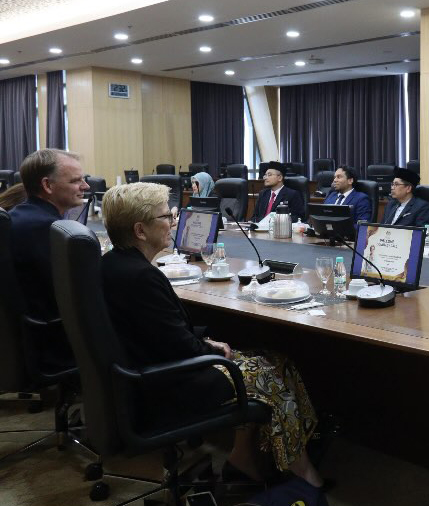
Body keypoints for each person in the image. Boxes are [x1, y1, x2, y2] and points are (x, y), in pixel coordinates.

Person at [99, 182, 324, 489]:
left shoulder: (113, 263)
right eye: (166, 217)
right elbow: (176, 345)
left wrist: (205, 342)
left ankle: (243, 457)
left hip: (146, 371)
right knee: (270, 372)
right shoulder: (141, 277)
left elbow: (160, 332)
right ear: (140, 230)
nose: (173, 223)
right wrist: (212, 349)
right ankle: (303, 473)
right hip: (169, 384)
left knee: (280, 361)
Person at [10, 149, 89, 370]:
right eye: (76, 181)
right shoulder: (49, 230)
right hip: (53, 344)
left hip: (26, 339)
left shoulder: (17, 216)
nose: (85, 186)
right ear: (47, 185)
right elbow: (81, 293)